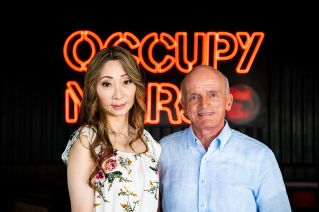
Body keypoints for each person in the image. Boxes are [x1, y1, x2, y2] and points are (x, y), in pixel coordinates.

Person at [158, 65, 291, 212]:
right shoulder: (162, 151)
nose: (204, 104)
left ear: (228, 102)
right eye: (194, 97)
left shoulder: (260, 156)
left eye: (213, 95)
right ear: (183, 105)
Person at [61, 46, 161, 212]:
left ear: (135, 85)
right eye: (107, 84)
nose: (118, 94)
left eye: (126, 82)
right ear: (94, 89)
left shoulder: (149, 142)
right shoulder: (86, 142)